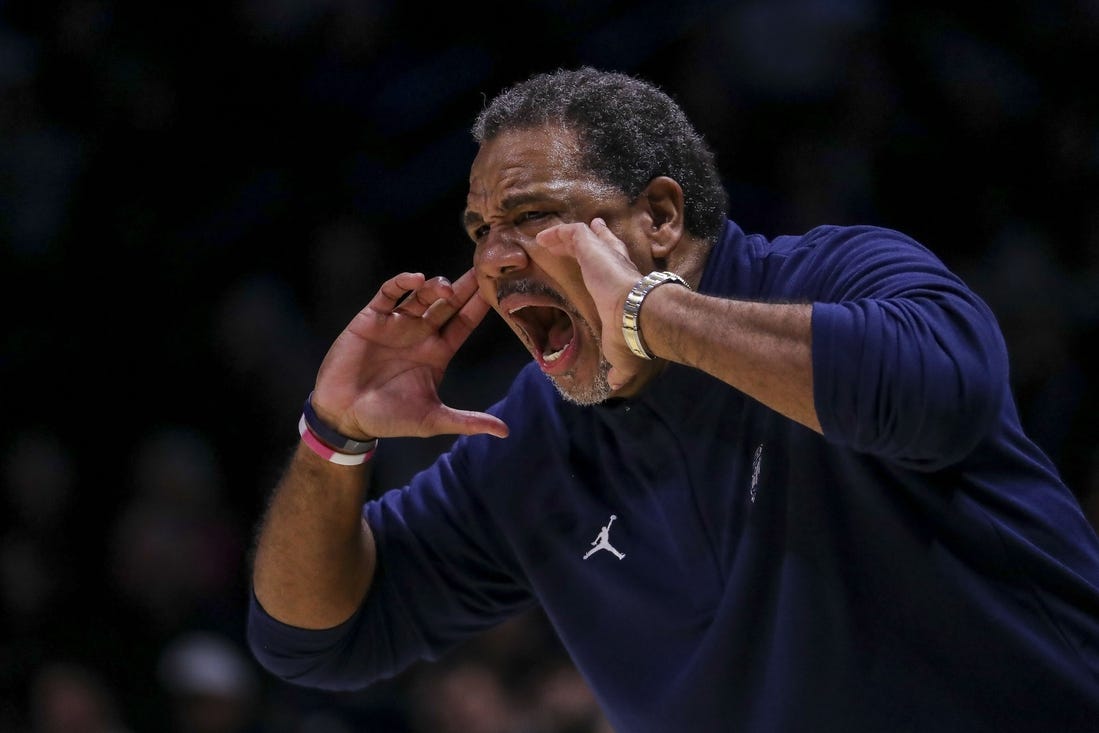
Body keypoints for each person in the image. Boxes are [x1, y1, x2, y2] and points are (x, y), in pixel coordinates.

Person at [246, 67, 1099, 732]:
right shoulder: (530, 439)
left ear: (657, 215)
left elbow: (938, 393)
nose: (496, 261)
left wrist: (652, 315)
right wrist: (334, 438)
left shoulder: (835, 274)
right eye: (478, 232)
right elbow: (312, 637)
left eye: (532, 214)